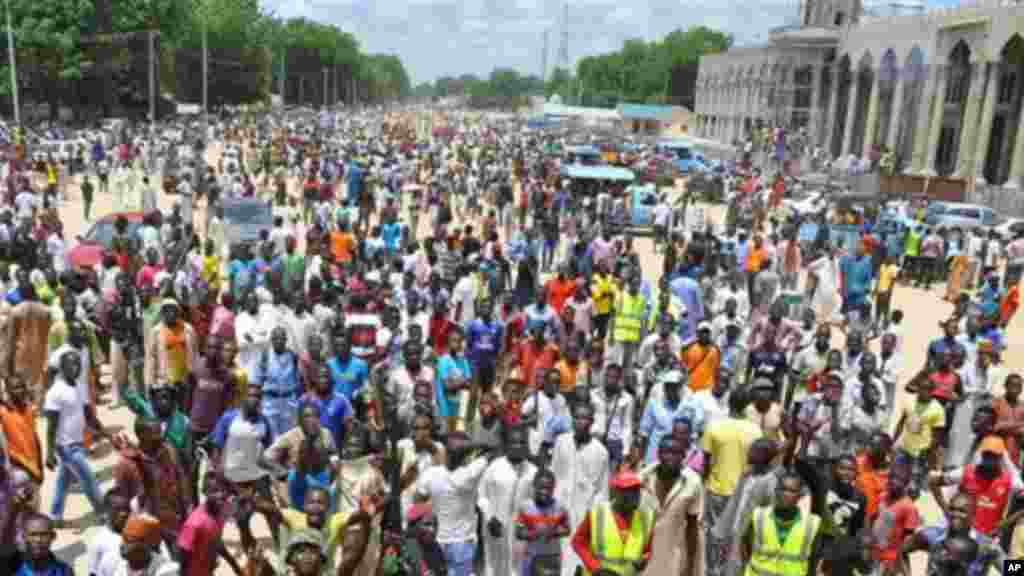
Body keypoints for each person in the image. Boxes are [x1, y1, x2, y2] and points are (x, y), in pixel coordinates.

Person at [44, 348, 106, 526]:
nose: (75, 368)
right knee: (88, 478)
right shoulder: (55, 392)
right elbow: (51, 427)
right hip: (65, 446)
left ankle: (55, 515)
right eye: (70, 364)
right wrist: (49, 453)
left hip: (78, 442)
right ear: (61, 368)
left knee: (63, 481)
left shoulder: (80, 386)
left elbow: (88, 414)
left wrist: (102, 431)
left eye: (78, 364)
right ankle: (103, 513)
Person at [550, 402, 610, 576]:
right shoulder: (561, 442)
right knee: (556, 555)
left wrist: (594, 518)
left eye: (585, 418)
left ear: (591, 422)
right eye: (577, 417)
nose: (580, 422)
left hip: (584, 512)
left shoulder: (600, 452)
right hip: (559, 509)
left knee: (576, 558)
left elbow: (602, 491)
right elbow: (553, 474)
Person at [570, 470, 655, 576]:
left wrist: (644, 559)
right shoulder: (597, 513)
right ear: (616, 492)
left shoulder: (646, 518)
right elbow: (578, 542)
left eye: (637, 490)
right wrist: (596, 568)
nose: (635, 495)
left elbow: (653, 549)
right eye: (629, 491)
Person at [640, 434, 702, 576]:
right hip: (643, 557)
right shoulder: (643, 478)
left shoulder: (693, 482)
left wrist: (691, 565)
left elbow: (693, 527)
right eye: (665, 452)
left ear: (683, 456)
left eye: (675, 453)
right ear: (658, 453)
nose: (669, 457)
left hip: (673, 557)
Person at [479, 425, 538, 576]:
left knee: (518, 568)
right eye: (513, 442)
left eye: (521, 443)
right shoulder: (495, 467)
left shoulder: (532, 471)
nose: (517, 446)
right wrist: (490, 517)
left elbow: (536, 503)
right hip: (495, 527)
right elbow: (481, 495)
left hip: (520, 529)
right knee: (494, 566)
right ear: (506, 445)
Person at [740, 471, 822, 576]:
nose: (786, 494)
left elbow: (814, 560)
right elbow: (744, 546)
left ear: (800, 495)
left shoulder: (812, 524)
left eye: (792, 491)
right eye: (782, 489)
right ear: (776, 491)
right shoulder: (758, 516)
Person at [177, 473, 242, 576]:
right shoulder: (194, 524)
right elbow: (183, 557)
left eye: (223, 490)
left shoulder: (220, 513)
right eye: (215, 491)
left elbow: (216, 543)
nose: (220, 494)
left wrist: (237, 568)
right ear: (205, 492)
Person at [515, 468, 571, 575]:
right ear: (534, 486)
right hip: (530, 557)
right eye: (541, 488)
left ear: (553, 488)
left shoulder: (560, 507)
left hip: (552, 558)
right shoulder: (525, 507)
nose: (544, 492)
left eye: (548, 488)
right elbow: (519, 532)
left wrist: (554, 532)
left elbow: (567, 529)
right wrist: (533, 534)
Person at [112, 514, 181, 576]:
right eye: (123, 538)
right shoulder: (121, 567)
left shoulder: (167, 570)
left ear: (149, 545)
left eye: (130, 540)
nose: (123, 545)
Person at [88, 488, 133, 576]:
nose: (123, 513)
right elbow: (93, 572)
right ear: (106, 511)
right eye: (117, 509)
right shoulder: (98, 541)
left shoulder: (139, 534)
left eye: (126, 508)